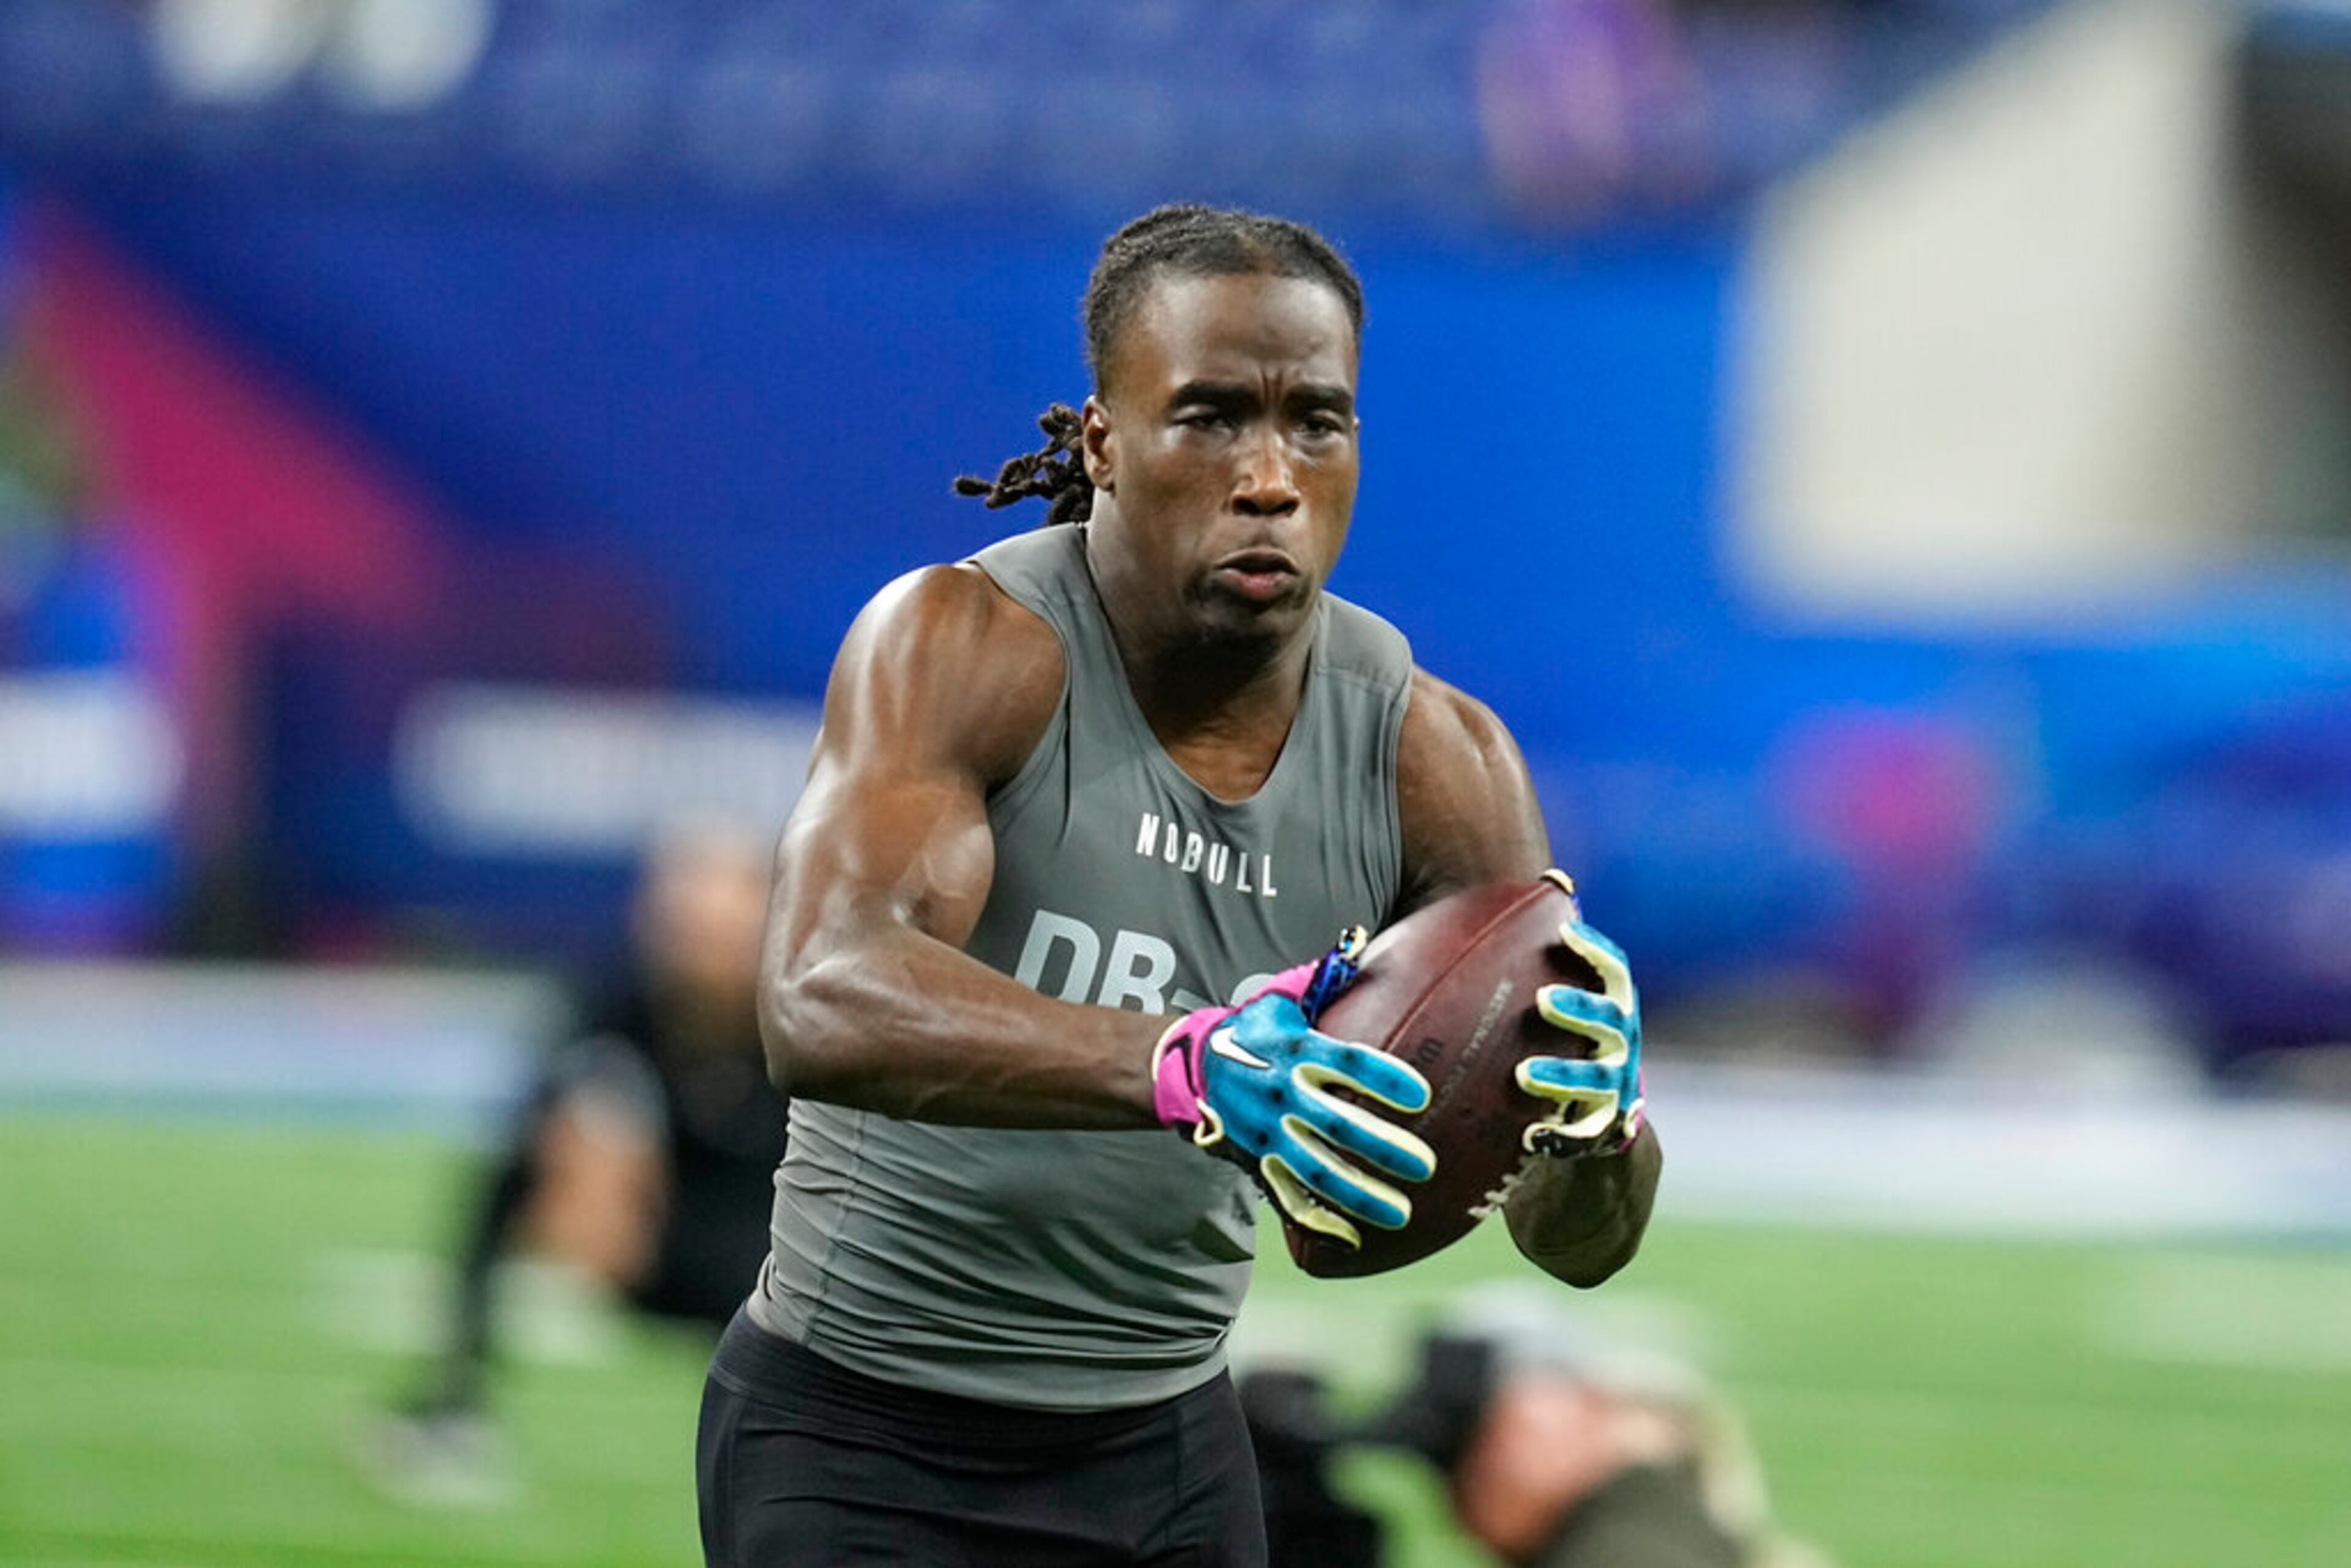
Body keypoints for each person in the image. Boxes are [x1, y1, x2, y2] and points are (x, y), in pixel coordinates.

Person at [697, 203, 1662, 1567]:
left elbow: (1554, 1244)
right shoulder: (967, 643)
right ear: (1104, 438)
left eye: (1315, 421)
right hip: (865, 1434)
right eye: (1211, 415)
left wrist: (1592, 1127)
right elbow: (817, 991)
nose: (1269, 473)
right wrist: (1184, 1061)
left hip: (1166, 1451)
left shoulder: (1437, 758)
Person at [369, 820, 786, 1504]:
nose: (703, 949)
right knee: (536, 1152)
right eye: (687, 925)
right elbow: (528, 1147)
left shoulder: (799, 1009)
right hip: (647, 1236)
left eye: (723, 928)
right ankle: (453, 1397)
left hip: (770, 1247)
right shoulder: (613, 1003)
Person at [1351, 1285, 1833, 1568]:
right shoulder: (1672, 1523)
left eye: (1479, 1430)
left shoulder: (1628, 1552)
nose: (1460, 1485)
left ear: (1580, 1405)